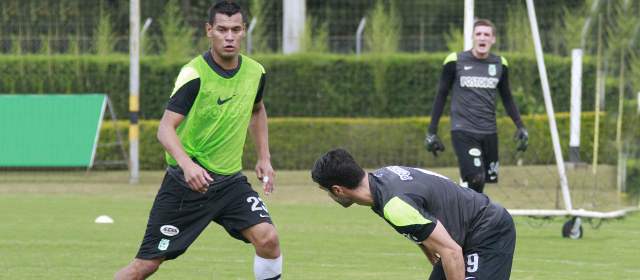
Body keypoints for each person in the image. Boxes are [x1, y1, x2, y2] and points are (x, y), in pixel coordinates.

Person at [115, 2, 281, 279]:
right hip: (187, 185)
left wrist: (264, 157)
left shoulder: (256, 72)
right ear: (209, 31)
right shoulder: (194, 74)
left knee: (268, 239)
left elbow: (257, 108)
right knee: (145, 266)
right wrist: (187, 165)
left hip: (230, 184)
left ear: (243, 32)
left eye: (235, 29)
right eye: (222, 29)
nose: (229, 36)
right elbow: (165, 129)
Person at [311, 148, 516, 280]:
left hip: (488, 230)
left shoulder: (393, 204)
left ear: (338, 189)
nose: (330, 196)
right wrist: (426, 247)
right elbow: (421, 214)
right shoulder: (383, 178)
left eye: (327, 191)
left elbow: (451, 252)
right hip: (465, 230)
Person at [425, 19, 528, 193]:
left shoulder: (500, 64)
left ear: (493, 39)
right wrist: (431, 131)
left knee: (480, 184)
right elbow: (441, 95)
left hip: (489, 131)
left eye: (486, 34)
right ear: (472, 37)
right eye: (478, 34)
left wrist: (521, 126)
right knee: (476, 177)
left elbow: (507, 98)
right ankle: (465, 214)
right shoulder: (454, 60)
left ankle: (467, 213)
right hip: (463, 130)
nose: (482, 38)